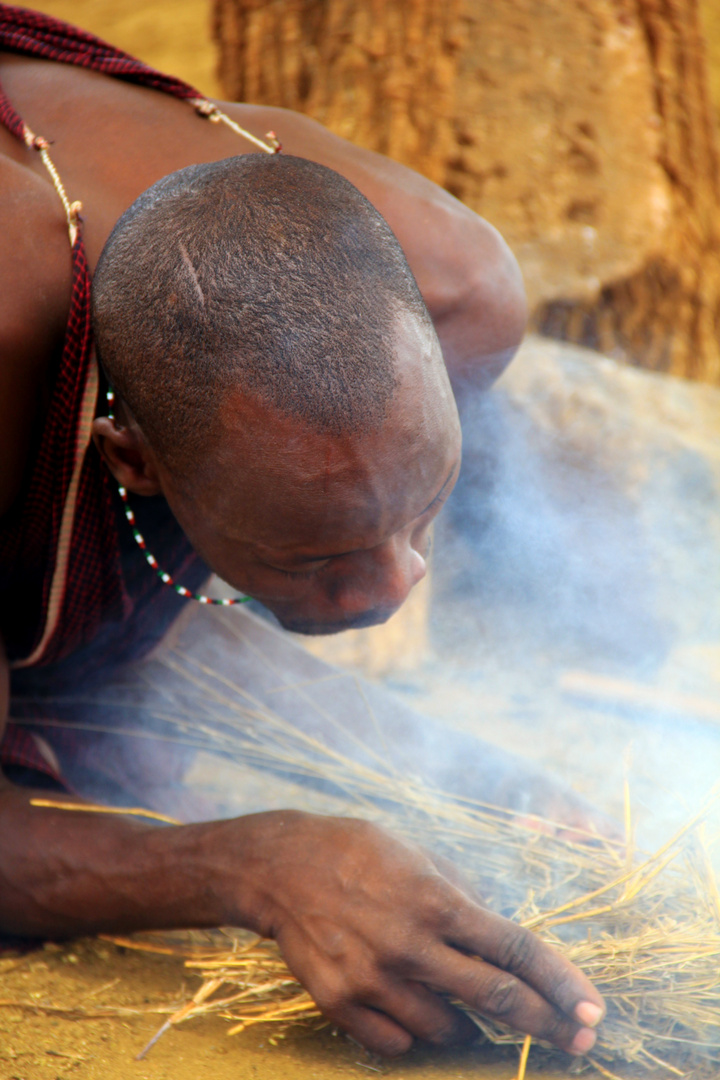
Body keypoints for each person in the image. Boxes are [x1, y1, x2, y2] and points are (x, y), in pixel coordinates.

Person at [0, 5, 609, 1060]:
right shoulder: (10, 346)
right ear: (129, 461)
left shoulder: (459, 293)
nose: (393, 588)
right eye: (316, 558)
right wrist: (262, 865)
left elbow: (132, 616)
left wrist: (468, 773)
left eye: (422, 511)